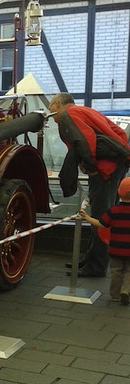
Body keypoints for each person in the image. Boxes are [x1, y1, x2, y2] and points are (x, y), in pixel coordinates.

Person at [49, 92, 130, 277]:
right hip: (116, 166)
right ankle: (91, 260)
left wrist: (91, 167)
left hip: (104, 171)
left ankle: (96, 267)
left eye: (51, 107)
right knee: (104, 213)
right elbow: (120, 134)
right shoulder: (87, 111)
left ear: (57, 103)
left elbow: (85, 142)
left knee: (101, 217)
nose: (50, 113)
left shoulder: (68, 116)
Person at [79, 177, 130, 304]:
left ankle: (115, 295)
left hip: (115, 249)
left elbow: (101, 224)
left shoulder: (113, 210)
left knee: (116, 272)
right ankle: (126, 290)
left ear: (119, 192)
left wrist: (87, 217)